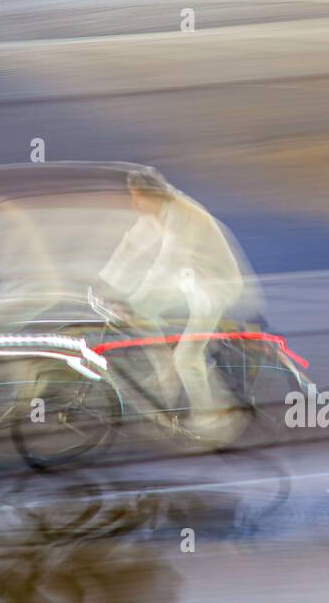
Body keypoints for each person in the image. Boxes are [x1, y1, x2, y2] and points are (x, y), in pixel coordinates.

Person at [94, 169, 261, 440]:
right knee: (143, 312)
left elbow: (167, 262)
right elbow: (130, 245)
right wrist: (103, 281)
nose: (134, 204)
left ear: (152, 195)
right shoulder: (156, 211)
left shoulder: (183, 216)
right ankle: (164, 369)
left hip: (215, 288)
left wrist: (134, 298)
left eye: (137, 198)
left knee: (187, 356)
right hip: (192, 281)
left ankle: (212, 419)